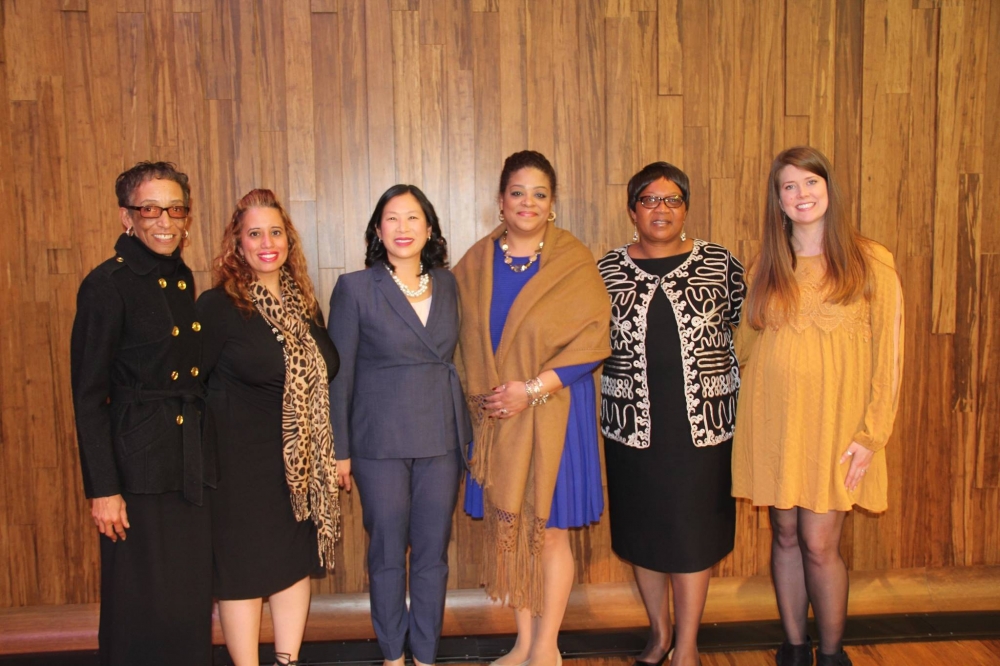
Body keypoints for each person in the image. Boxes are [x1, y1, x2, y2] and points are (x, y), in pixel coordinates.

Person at [732, 146, 904, 666]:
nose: (801, 195)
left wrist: (871, 435)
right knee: (784, 533)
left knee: (819, 541)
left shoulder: (870, 260)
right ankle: (793, 647)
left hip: (837, 428)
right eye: (789, 186)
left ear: (829, 189)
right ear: (778, 200)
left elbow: (889, 356)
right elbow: (745, 346)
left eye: (810, 183)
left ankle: (831, 655)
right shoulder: (767, 264)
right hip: (775, 423)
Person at [455, 150, 611, 666]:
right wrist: (493, 398)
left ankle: (547, 648)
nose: (528, 202)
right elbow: (459, 342)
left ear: (553, 204)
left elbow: (592, 340)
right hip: (499, 416)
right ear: (501, 201)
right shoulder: (475, 263)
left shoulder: (573, 259)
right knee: (512, 532)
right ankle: (522, 642)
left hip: (555, 413)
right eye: (517, 192)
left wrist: (533, 388)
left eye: (539, 193)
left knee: (547, 533)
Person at [598, 162, 745, 666]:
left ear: (686, 209)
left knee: (693, 534)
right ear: (632, 210)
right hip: (631, 424)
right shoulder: (606, 271)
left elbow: (747, 330)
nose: (661, 209)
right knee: (644, 531)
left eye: (672, 200)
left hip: (703, 427)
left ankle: (687, 645)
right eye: (649, 200)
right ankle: (659, 635)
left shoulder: (720, 263)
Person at [70, 161, 216, 665]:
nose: (164, 221)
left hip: (186, 466)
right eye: (150, 209)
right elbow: (88, 396)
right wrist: (103, 489)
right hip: (136, 469)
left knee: (185, 603)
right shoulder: (106, 286)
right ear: (126, 217)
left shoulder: (180, 278)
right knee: (139, 605)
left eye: (174, 209)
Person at [197, 189, 341, 666]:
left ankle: (287, 660)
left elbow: (323, 375)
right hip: (239, 473)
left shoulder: (304, 305)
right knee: (242, 574)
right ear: (237, 244)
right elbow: (188, 388)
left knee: (291, 566)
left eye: (275, 232)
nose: (266, 242)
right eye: (254, 233)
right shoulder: (219, 307)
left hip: (300, 470)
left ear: (288, 240)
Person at [328, 184, 471, 666]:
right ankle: (392, 656)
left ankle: (426, 656)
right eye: (392, 218)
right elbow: (339, 374)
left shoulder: (449, 284)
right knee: (387, 555)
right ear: (377, 229)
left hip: (441, 439)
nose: (403, 228)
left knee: (433, 555)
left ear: (429, 229)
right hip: (378, 443)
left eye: (413, 219)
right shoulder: (354, 287)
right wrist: (339, 450)